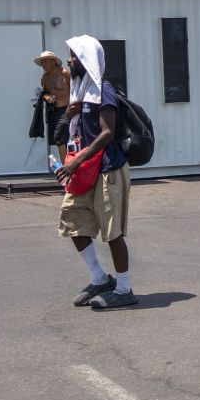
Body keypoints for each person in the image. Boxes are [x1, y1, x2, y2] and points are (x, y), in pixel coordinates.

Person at [54, 35, 137, 309]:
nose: (69, 61)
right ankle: (99, 278)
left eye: (75, 56)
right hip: (83, 170)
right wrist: (70, 115)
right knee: (73, 221)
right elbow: (74, 131)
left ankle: (124, 289)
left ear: (87, 59)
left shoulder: (103, 89)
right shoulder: (80, 90)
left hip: (107, 170)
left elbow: (106, 133)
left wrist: (74, 163)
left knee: (112, 232)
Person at [34, 50, 71, 163]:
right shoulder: (44, 78)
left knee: (67, 138)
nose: (43, 65)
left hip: (68, 110)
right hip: (55, 111)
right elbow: (44, 93)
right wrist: (47, 97)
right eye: (42, 62)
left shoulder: (65, 73)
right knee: (58, 140)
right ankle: (66, 166)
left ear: (54, 61)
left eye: (45, 61)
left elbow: (76, 90)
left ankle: (71, 165)